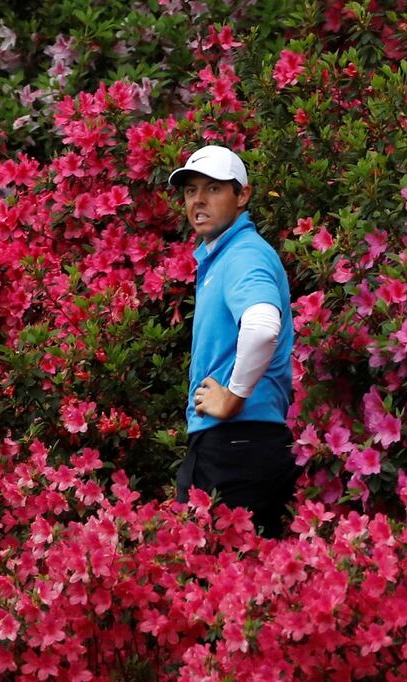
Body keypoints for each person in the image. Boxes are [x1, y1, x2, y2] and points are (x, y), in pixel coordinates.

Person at [168, 144, 300, 538]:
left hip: (240, 442)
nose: (199, 200)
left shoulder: (244, 254)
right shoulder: (223, 256)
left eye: (213, 188)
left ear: (242, 195)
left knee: (227, 583)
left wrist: (233, 396)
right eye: (191, 191)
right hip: (231, 442)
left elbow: (262, 326)